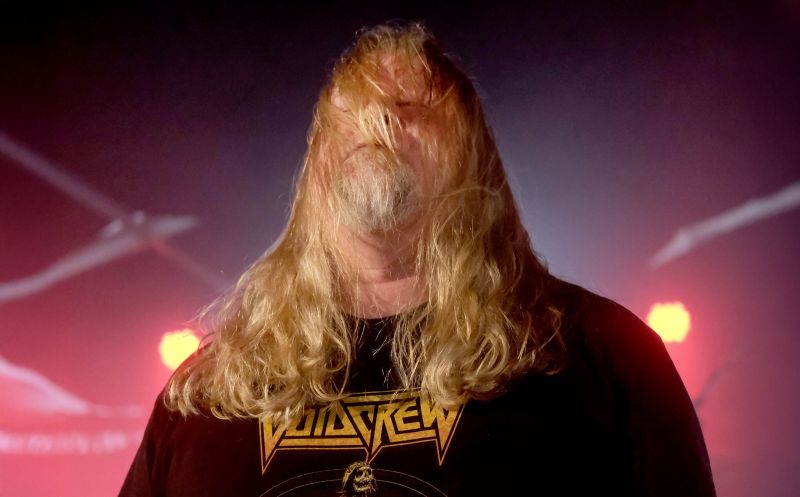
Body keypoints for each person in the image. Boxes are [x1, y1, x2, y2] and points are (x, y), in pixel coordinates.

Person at [119, 22, 716, 497]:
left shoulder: (600, 357)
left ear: (472, 157)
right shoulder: (212, 388)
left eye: (411, 107)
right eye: (352, 112)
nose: (379, 121)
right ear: (315, 164)